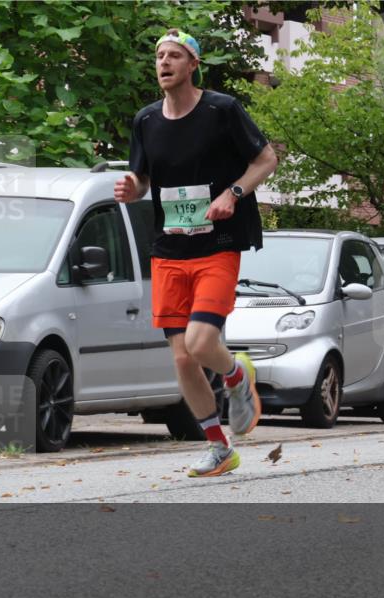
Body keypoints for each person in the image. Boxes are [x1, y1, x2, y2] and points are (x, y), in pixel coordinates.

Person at [114, 29, 278, 477]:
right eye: (159, 56)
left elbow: (266, 159)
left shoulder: (221, 110)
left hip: (217, 244)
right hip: (169, 248)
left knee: (202, 341)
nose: (163, 63)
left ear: (193, 65)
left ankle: (237, 376)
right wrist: (133, 188)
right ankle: (219, 448)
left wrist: (234, 193)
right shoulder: (146, 120)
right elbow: (144, 180)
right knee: (183, 358)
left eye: (174, 56)